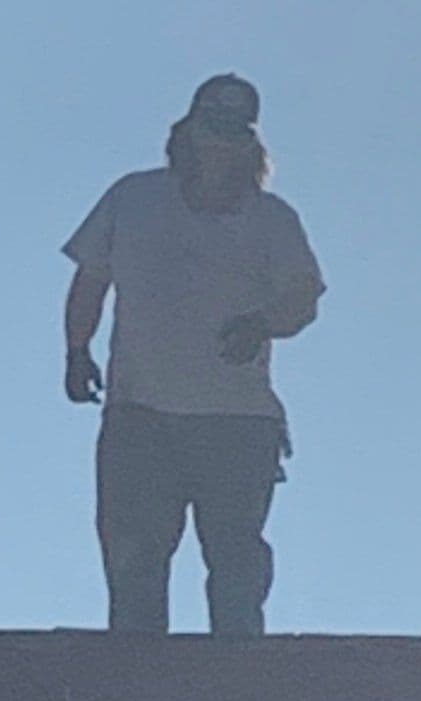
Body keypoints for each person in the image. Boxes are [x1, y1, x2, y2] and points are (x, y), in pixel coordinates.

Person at [62, 72, 324, 638]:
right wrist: (77, 350)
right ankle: (138, 691)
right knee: (133, 569)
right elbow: (91, 278)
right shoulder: (132, 197)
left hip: (235, 423)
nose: (217, 145)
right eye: (210, 129)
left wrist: (262, 324)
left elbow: (303, 298)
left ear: (248, 144)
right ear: (186, 132)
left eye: (232, 133)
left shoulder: (273, 220)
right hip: (140, 416)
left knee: (236, 571)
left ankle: (235, 693)